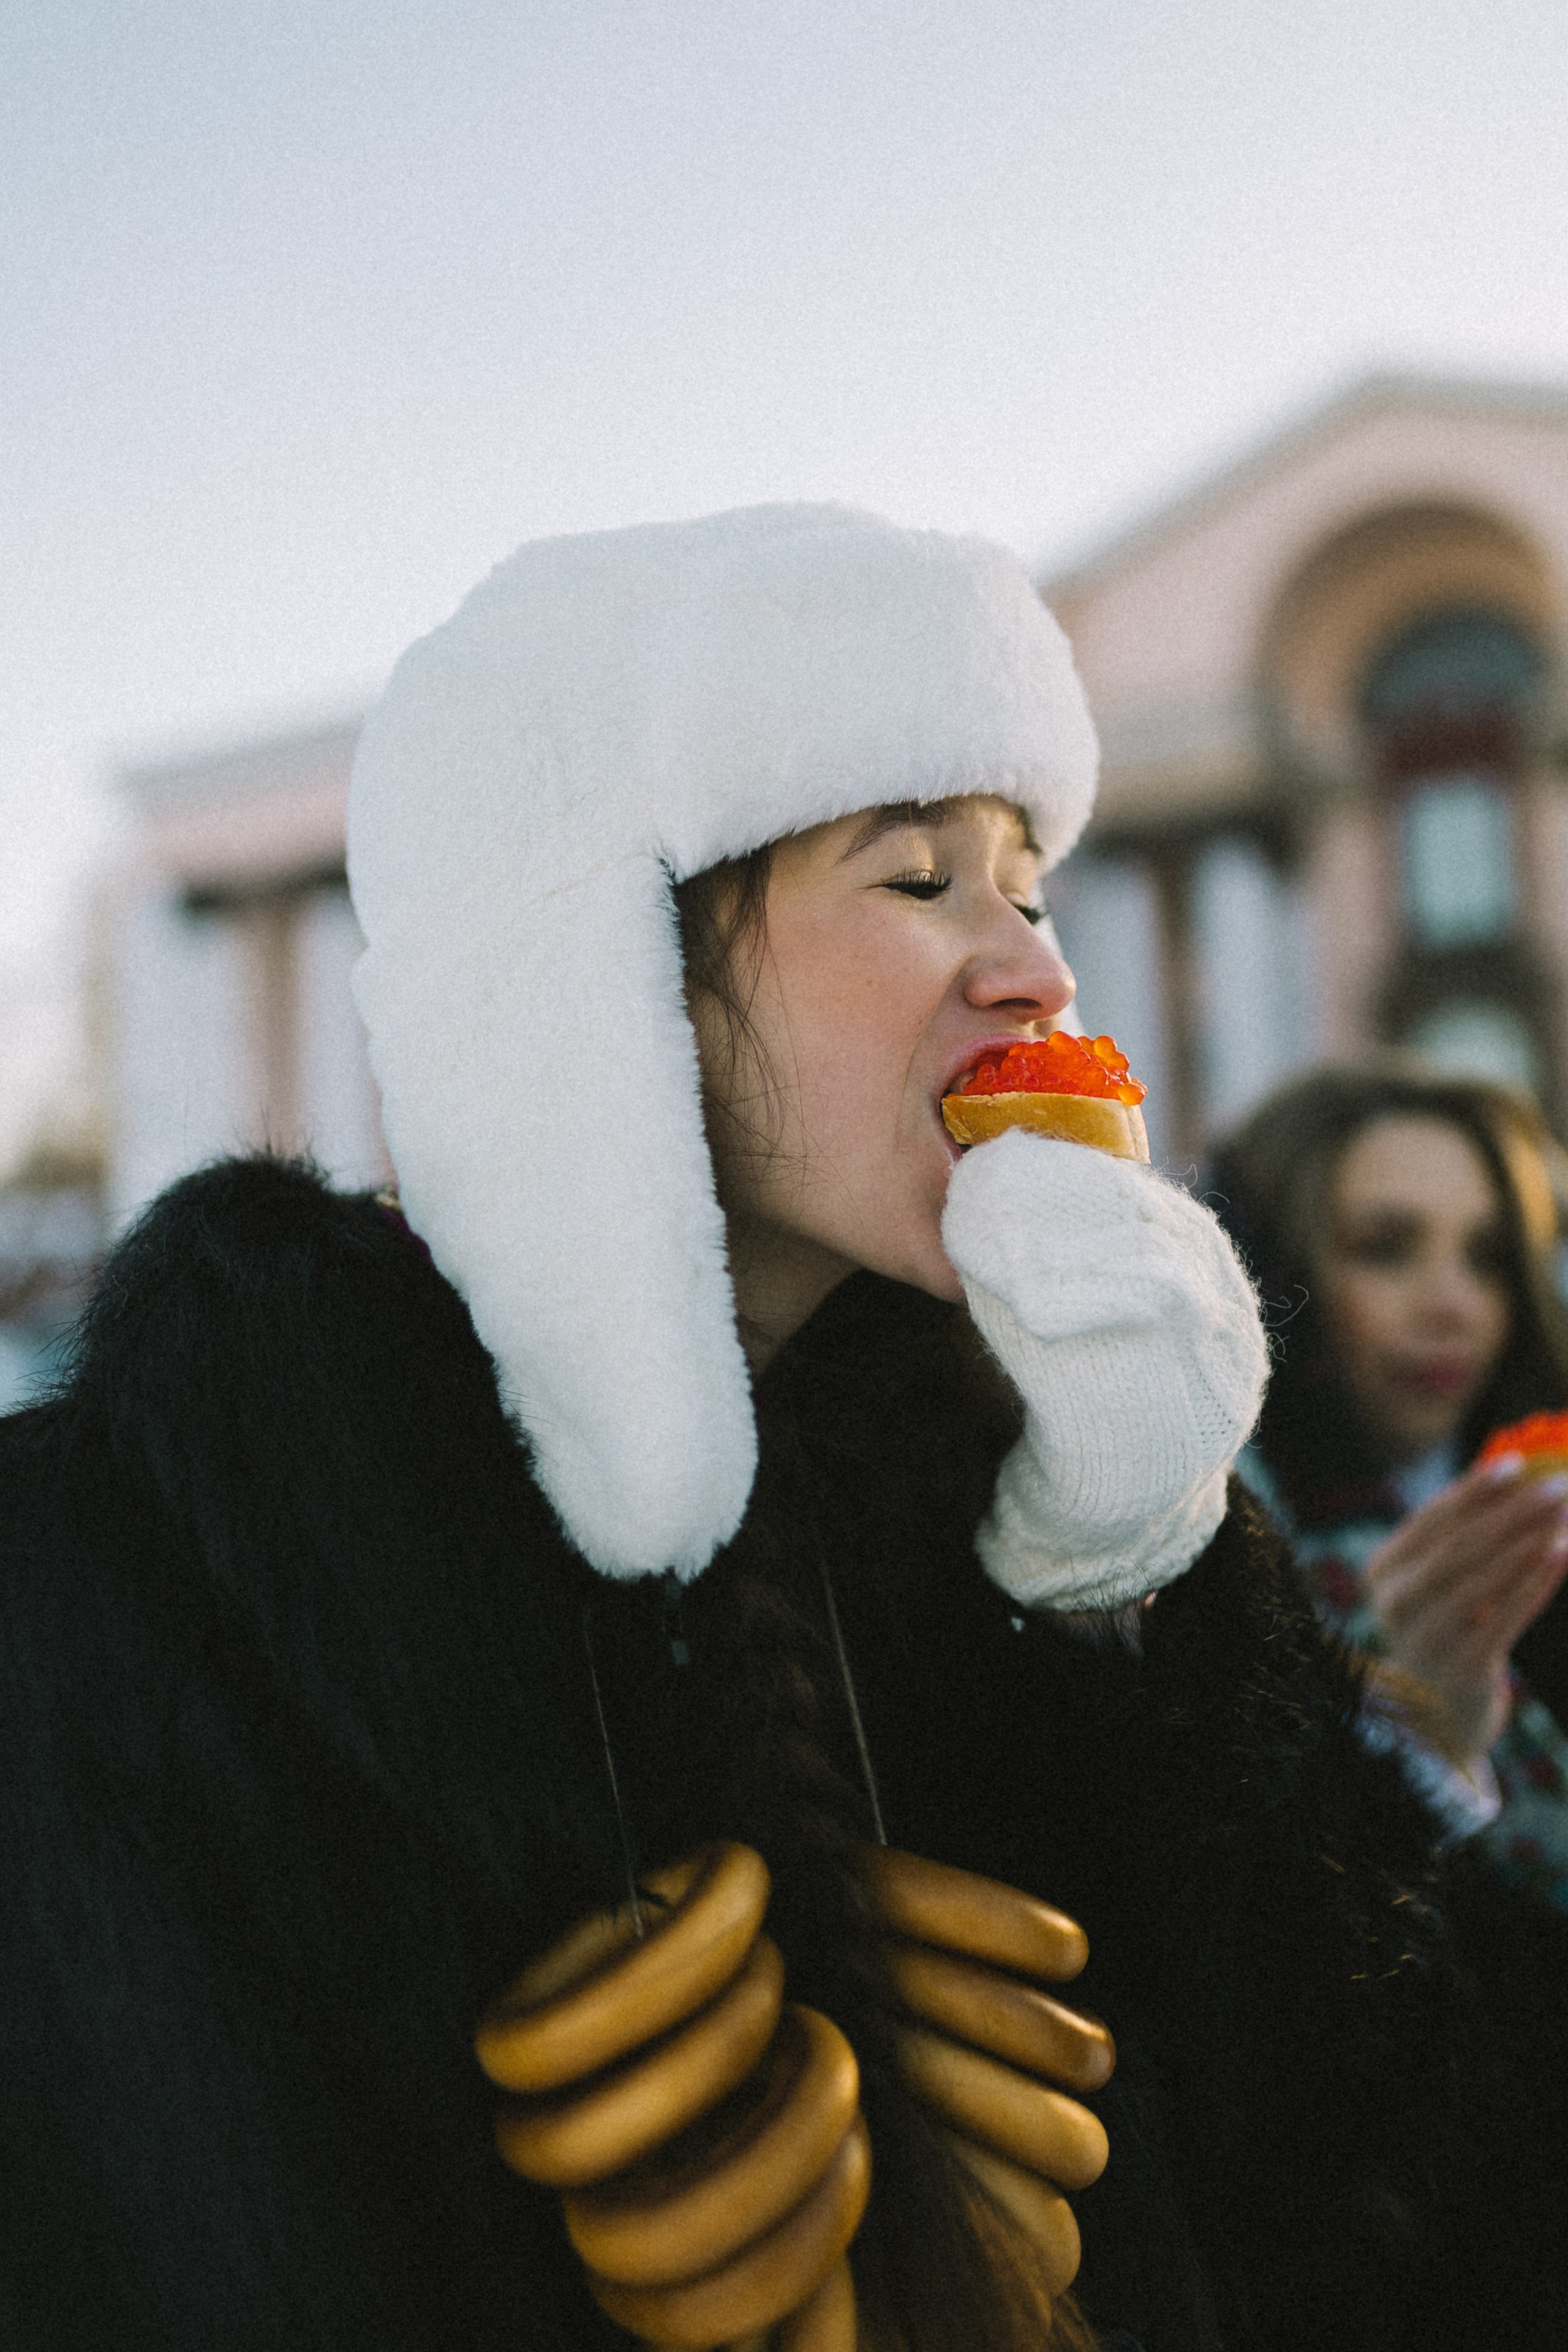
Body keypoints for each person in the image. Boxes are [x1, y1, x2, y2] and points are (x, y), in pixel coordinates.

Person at [0, 509, 1557, 2352]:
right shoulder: (100, 1589)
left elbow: (1408, 2219)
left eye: (1029, 886)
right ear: (600, 973)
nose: (1038, 977)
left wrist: (1202, 1594)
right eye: (915, 883)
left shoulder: (1001, 1559)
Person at [1213, 1064, 1568, 1912]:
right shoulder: (1207, 1543)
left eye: (1488, 1257)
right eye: (1385, 1248)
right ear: (1278, 1270)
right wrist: (1425, 1736)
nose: (1453, 1304)